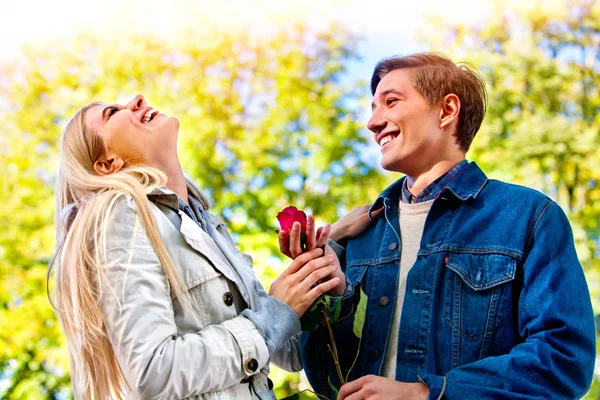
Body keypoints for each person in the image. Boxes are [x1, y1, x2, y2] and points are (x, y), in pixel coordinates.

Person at [280, 53, 596, 399]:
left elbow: (563, 360)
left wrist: (424, 393)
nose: (372, 122)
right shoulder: (358, 238)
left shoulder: (530, 217)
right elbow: (326, 379)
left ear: (447, 111)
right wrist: (330, 294)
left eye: (391, 101)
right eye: (373, 107)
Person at [49, 95, 346, 400]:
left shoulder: (206, 224)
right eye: (113, 113)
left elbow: (294, 353)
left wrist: (325, 269)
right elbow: (153, 371)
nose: (136, 100)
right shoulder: (121, 214)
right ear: (108, 164)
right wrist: (273, 315)